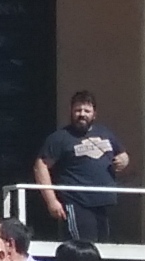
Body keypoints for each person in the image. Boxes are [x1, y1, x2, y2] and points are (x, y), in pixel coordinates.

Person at [28, 90, 131, 243]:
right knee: (82, 248)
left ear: (94, 114)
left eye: (86, 111)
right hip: (77, 203)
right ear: (71, 111)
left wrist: (123, 160)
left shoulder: (105, 133)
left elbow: (123, 154)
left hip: (106, 204)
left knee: (105, 249)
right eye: (78, 110)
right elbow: (40, 166)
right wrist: (51, 201)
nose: (82, 114)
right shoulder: (60, 138)